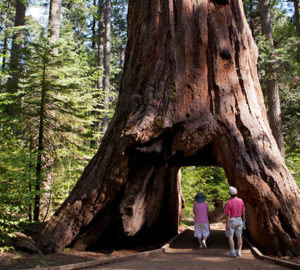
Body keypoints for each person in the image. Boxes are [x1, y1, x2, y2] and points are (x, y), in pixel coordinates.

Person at [224, 186, 246, 258]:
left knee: (230, 236)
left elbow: (227, 215)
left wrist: (226, 224)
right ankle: (239, 251)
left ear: (229, 193)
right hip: (239, 219)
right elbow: (243, 211)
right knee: (239, 236)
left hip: (232, 220)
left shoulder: (229, 203)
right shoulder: (241, 200)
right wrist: (244, 219)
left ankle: (232, 252)